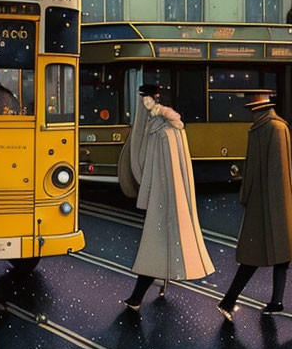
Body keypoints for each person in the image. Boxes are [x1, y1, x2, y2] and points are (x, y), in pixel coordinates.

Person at [123, 86, 215, 310]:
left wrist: (148, 198)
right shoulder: (171, 129)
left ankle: (136, 299)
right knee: (162, 247)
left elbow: (153, 170)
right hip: (172, 200)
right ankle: (156, 287)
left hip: (162, 201)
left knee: (152, 250)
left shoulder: (159, 133)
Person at [217, 92, 292, 320]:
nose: (251, 113)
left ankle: (231, 301)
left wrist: (247, 195)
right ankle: (271, 301)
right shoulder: (275, 128)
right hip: (277, 204)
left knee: (256, 256)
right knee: (280, 254)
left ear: (259, 110)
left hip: (267, 204)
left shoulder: (269, 129)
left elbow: (272, 171)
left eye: (252, 109)